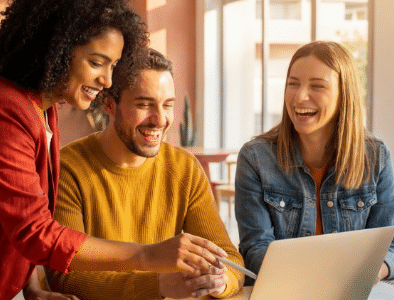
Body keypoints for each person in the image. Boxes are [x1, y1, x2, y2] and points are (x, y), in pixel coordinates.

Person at [0, 1, 229, 299]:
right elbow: (36, 232)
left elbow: (16, 208)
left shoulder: (43, 107)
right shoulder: (2, 111)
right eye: (96, 63)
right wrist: (148, 255)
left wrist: (31, 286)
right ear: (56, 50)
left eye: (114, 66)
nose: (107, 81)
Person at [22, 48, 245, 300]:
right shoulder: (68, 169)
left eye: (167, 105)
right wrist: (159, 286)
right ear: (109, 104)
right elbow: (65, 275)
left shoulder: (185, 169)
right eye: (144, 104)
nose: (159, 119)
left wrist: (219, 281)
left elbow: (230, 259)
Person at [234, 41, 394, 285]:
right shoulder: (255, 158)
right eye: (293, 84)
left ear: (344, 94)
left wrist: (370, 272)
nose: (300, 96)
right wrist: (319, 278)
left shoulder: (375, 156)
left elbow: (392, 248)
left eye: (317, 86)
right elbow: (255, 250)